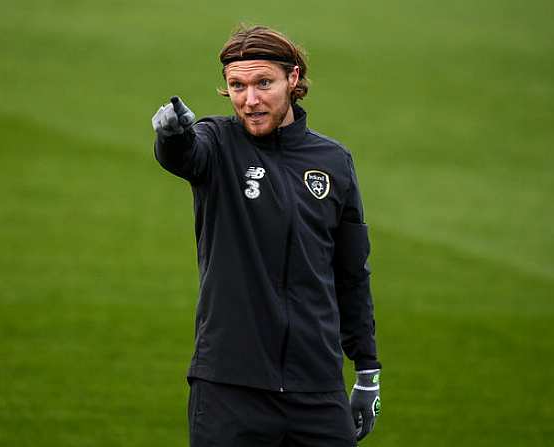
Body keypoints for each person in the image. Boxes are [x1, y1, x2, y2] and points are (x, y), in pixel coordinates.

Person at [151, 25, 382, 446]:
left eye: (263, 83)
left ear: (293, 79)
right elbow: (185, 155)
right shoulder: (217, 143)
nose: (249, 100)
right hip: (228, 390)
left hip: (316, 390)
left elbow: (351, 273)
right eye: (236, 86)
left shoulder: (333, 161)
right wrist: (172, 136)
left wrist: (367, 370)